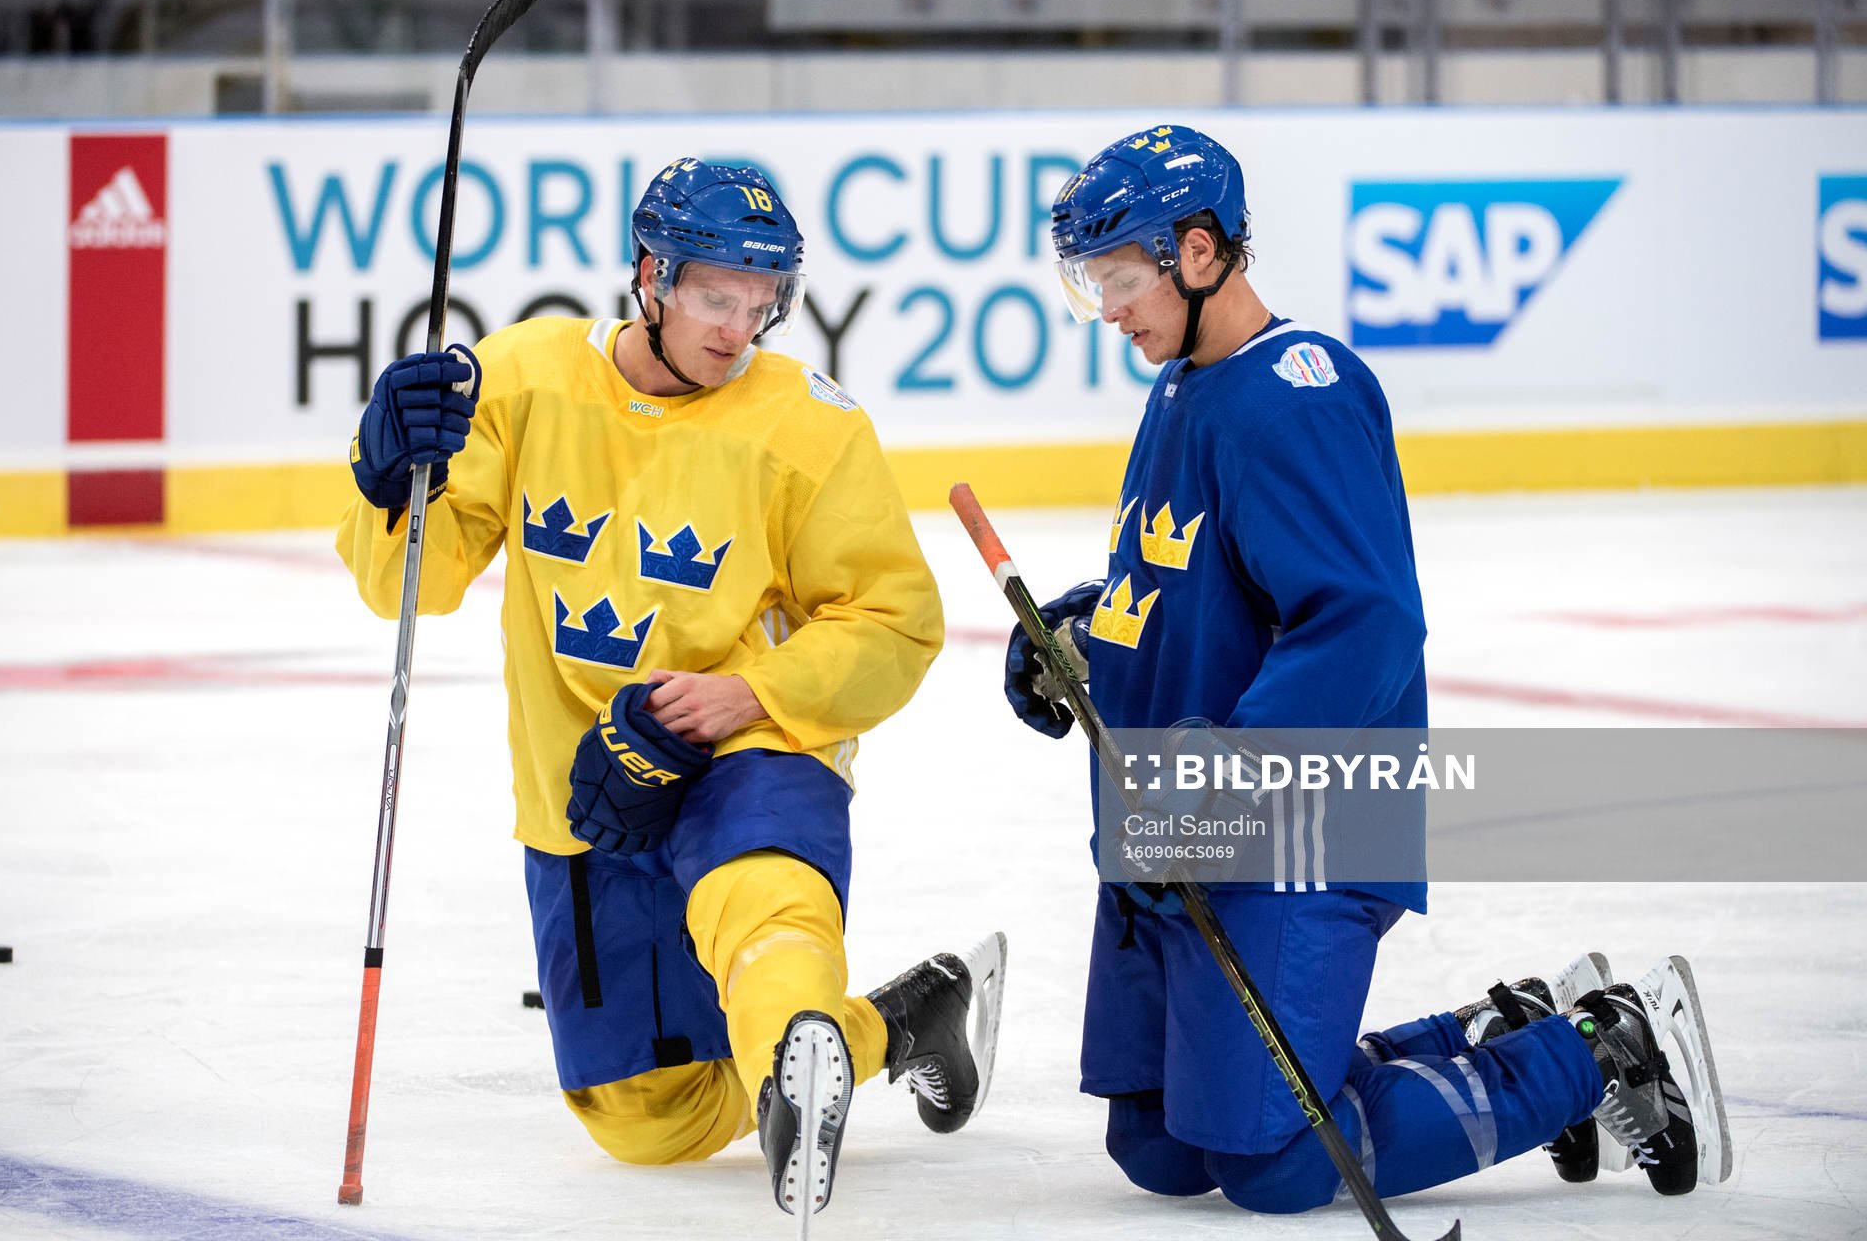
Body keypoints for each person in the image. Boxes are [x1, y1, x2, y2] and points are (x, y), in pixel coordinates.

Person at [1004, 124, 1727, 1213]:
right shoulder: (1183, 387)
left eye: (1120, 278)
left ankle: (1599, 1048)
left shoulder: (1299, 395)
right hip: (1185, 830)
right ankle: (1492, 1029)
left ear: (1198, 252)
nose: (1108, 309)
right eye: (1092, 283)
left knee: (1274, 1161)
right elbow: (1191, 587)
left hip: (1300, 825)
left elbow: (1366, 625)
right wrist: (1082, 638)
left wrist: (1229, 774)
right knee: (1157, 1139)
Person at [338, 157, 1007, 1221]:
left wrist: (755, 695)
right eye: (716, 298)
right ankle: (897, 1022)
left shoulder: (810, 426)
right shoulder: (524, 381)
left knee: (763, 903)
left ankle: (797, 1056)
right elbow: (407, 587)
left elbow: (898, 619)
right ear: (651, 276)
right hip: (582, 784)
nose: (740, 330)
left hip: (751, 739)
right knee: (644, 1118)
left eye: (762, 303)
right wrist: (387, 481)